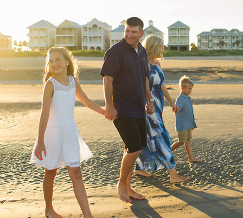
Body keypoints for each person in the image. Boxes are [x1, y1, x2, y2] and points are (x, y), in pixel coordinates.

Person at [30, 47, 105, 218]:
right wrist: (40, 141)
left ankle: (88, 215)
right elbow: (44, 113)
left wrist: (103, 111)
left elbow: (86, 101)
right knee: (51, 171)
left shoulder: (73, 81)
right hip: (52, 133)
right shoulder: (50, 84)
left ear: (67, 61)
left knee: (76, 172)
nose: (54, 63)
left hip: (70, 131)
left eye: (58, 59)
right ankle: (49, 209)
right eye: (51, 61)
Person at [101, 17, 154, 203]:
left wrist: (150, 100)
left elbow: (144, 78)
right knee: (134, 148)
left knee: (132, 149)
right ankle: (121, 185)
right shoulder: (115, 52)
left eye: (133, 32)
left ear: (141, 33)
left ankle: (128, 187)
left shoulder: (142, 52)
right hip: (122, 108)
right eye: (127, 31)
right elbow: (107, 79)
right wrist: (109, 105)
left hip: (138, 108)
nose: (129, 35)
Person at [133, 36, 190, 184]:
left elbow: (162, 85)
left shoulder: (156, 64)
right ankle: (173, 174)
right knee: (159, 136)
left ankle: (139, 167)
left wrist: (171, 102)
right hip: (149, 108)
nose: (162, 49)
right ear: (153, 47)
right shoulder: (144, 65)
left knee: (148, 137)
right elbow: (141, 87)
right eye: (160, 46)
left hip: (158, 107)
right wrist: (148, 103)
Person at [171, 75, 201, 162]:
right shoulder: (180, 99)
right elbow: (177, 109)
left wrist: (191, 124)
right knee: (181, 141)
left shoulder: (187, 98)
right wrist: (175, 108)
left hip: (187, 124)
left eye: (191, 89)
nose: (190, 91)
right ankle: (167, 152)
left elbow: (189, 113)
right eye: (189, 89)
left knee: (187, 140)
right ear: (182, 88)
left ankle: (191, 158)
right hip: (182, 125)